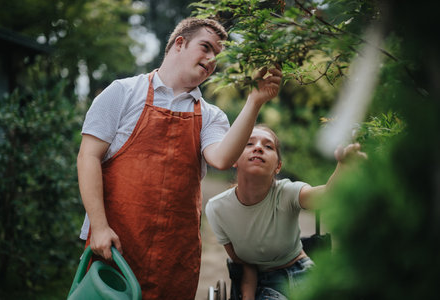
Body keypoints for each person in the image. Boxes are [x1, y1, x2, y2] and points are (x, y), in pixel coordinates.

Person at [76, 17, 283, 299]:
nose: (211, 60)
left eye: (217, 56)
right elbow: (88, 157)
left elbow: (221, 159)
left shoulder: (211, 116)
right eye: (206, 47)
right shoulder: (123, 93)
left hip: (174, 258)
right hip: (115, 248)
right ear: (180, 43)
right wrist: (99, 227)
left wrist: (254, 101)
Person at [205, 124, 367, 300]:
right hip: (265, 283)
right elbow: (244, 265)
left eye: (268, 146)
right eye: (249, 144)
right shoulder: (217, 209)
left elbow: (325, 196)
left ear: (278, 166)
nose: (258, 147)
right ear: (234, 159)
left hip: (304, 273)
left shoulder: (287, 192)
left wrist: (343, 167)